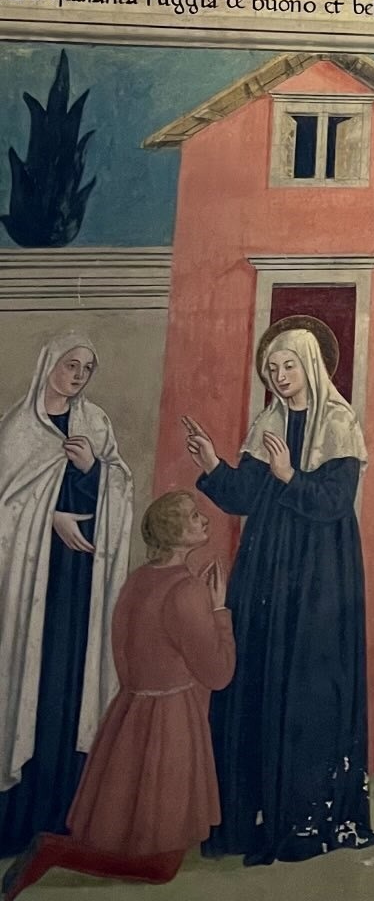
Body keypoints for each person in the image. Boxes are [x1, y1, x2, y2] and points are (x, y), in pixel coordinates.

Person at [182, 322, 374, 864]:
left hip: (320, 573)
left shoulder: (338, 423)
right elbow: (245, 496)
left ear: (310, 366)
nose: (279, 375)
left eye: (288, 365)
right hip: (265, 567)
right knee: (257, 676)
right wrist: (212, 464)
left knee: (309, 686)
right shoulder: (268, 421)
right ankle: (247, 818)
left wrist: (291, 476)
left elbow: (335, 502)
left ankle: (303, 820)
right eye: (271, 368)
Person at [3, 491, 235, 895]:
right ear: (172, 531)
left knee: (134, 837)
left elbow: (127, 657)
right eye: (192, 516)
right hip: (171, 722)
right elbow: (218, 674)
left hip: (128, 717)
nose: (203, 520)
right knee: (161, 866)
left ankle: (57, 849)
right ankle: (54, 851)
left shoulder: (139, 579)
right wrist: (219, 611)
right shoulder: (188, 590)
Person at [0, 336, 132, 855]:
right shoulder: (17, 430)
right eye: (70, 364)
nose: (78, 375)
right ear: (49, 365)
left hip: (79, 585)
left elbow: (120, 488)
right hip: (29, 588)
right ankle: (17, 822)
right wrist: (48, 518)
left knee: (70, 688)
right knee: (30, 689)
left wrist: (92, 470)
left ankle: (63, 817)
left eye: (87, 368)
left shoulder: (94, 423)